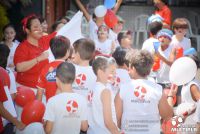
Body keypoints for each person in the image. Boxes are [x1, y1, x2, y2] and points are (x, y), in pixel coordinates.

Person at [115, 50, 174, 134]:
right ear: (149, 71)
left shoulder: (123, 88)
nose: (128, 70)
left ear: (133, 68)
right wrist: (171, 96)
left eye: (129, 67)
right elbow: (168, 116)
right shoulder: (157, 89)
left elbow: (117, 118)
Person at [14, 14, 56, 91]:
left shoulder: (44, 40)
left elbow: (59, 33)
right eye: (36, 27)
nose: (40, 29)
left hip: (43, 88)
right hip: (26, 89)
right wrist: (38, 59)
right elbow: (19, 67)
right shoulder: (22, 47)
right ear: (27, 30)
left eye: (40, 26)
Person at [44, 62, 88, 134]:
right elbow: (84, 127)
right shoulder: (82, 100)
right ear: (74, 79)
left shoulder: (52, 101)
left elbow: (48, 130)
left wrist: (45, 123)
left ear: (57, 79)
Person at [72, 38, 96, 134]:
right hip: (89, 118)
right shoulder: (96, 72)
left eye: (73, 52)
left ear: (77, 54)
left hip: (71, 115)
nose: (72, 55)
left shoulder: (70, 69)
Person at [36, 36, 71, 102]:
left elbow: (39, 94)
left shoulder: (45, 68)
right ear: (67, 51)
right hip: (68, 106)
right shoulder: (71, 68)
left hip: (50, 107)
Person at [92, 56, 120, 134]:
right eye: (112, 71)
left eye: (115, 72)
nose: (115, 74)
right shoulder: (105, 91)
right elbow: (108, 122)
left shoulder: (92, 88)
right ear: (100, 72)